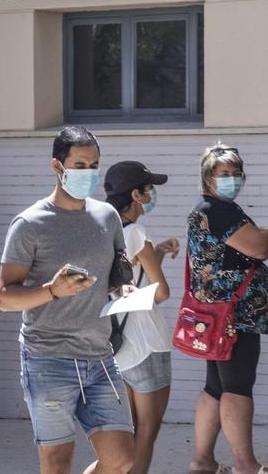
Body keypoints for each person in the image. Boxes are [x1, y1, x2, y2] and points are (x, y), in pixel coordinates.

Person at [0, 126, 135, 474]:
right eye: (80, 165)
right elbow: (3, 297)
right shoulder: (29, 224)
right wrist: (51, 291)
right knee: (57, 464)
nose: (89, 173)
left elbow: (115, 277)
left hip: (100, 357)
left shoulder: (108, 216)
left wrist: (124, 290)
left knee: (121, 459)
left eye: (94, 165)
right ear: (57, 167)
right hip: (48, 359)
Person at [186, 144, 268, 474]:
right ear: (208, 178)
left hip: (216, 317)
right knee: (238, 387)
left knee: (216, 386)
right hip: (235, 318)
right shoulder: (221, 212)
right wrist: (266, 233)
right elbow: (260, 246)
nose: (233, 179)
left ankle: (202, 461)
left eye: (237, 173)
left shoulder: (204, 210)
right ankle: (245, 464)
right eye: (225, 174)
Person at [103, 161, 179, 474]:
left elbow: (129, 280)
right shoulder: (136, 232)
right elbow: (160, 292)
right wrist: (151, 249)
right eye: (149, 189)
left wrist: (156, 251)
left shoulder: (102, 230)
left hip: (119, 348)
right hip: (148, 345)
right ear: (136, 194)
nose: (152, 194)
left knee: (129, 433)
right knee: (146, 434)